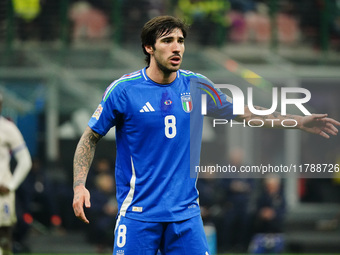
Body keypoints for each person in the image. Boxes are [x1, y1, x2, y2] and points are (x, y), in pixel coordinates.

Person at [72, 15, 340, 254]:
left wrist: (298, 121)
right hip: (138, 215)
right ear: (149, 47)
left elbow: (247, 113)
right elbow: (90, 137)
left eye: (180, 40)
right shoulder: (123, 90)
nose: (177, 47)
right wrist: (79, 185)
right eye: (167, 41)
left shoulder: (196, 85)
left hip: (186, 216)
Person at [0, 93, 32, 255]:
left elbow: (25, 160)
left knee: (4, 238)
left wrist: (11, 185)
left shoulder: (7, 128)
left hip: (2, 194)